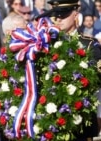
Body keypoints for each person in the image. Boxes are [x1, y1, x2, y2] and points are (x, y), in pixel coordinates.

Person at [39, 0, 101, 140]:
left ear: (76, 15)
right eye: (56, 14)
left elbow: (97, 84)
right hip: (50, 123)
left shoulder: (89, 46)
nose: (58, 19)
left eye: (64, 14)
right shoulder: (46, 45)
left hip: (79, 123)